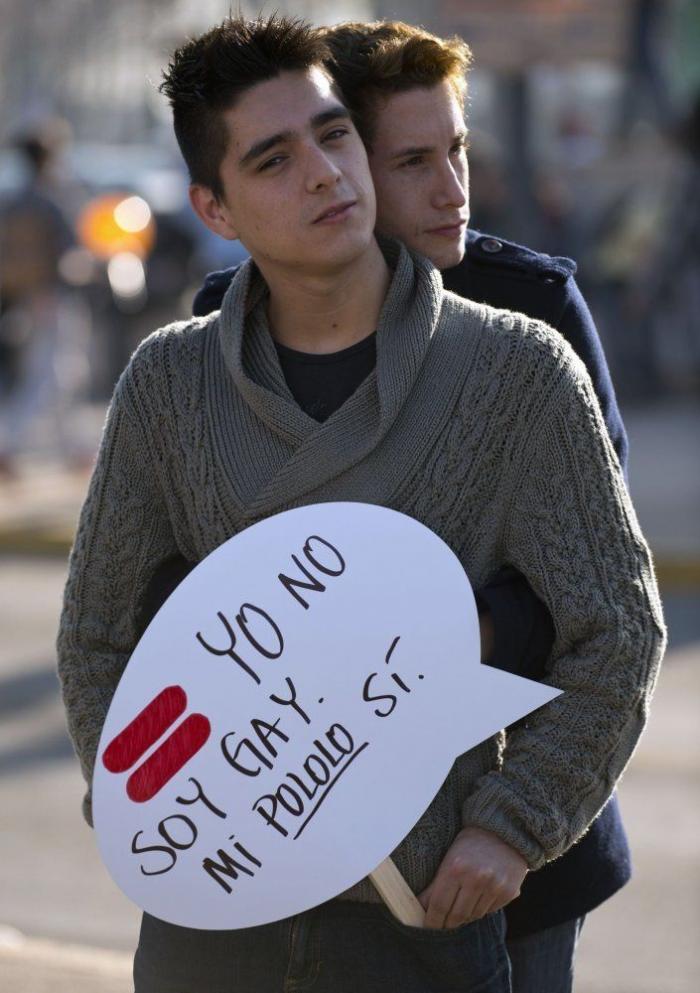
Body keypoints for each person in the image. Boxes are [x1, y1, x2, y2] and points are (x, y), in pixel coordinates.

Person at [56, 15, 666, 993]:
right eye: (273, 158)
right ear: (213, 207)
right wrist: (149, 802)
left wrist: (511, 830)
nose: (324, 173)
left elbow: (618, 629)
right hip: (210, 920)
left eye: (335, 134)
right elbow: (100, 634)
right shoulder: (168, 382)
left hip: (421, 923)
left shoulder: (515, 368)